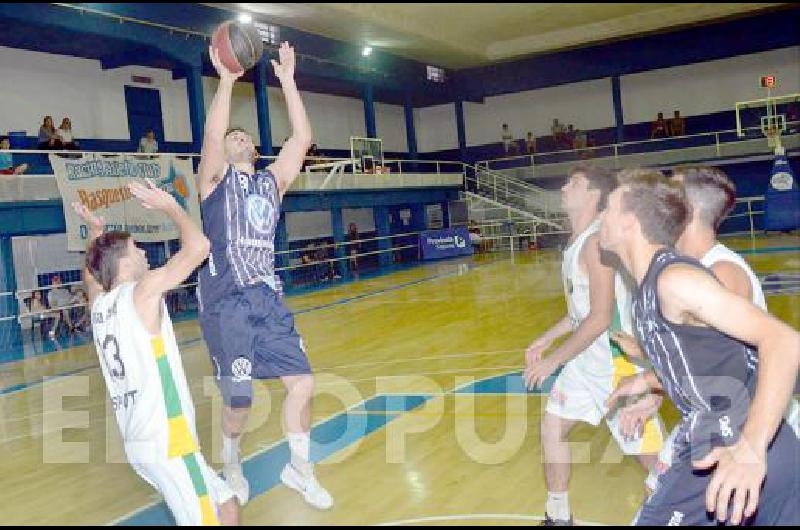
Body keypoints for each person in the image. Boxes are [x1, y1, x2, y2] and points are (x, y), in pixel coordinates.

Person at [599, 169, 799, 526]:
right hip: (734, 439)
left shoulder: (674, 279)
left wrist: (752, 447)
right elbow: (709, 357)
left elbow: (782, 340)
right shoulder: (648, 288)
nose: (602, 216)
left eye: (609, 207)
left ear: (630, 222)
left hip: (735, 444)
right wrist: (651, 382)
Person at [196, 42, 333, 510]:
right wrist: (229, 80)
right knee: (239, 405)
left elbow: (300, 140)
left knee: (304, 384)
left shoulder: (269, 183)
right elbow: (212, 137)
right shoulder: (214, 182)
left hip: (267, 300)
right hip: (225, 302)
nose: (235, 139)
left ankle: (299, 467)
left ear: (253, 148)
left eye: (242, 137)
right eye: (230, 137)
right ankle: (230, 462)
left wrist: (290, 82)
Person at [72, 185, 239, 526]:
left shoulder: (99, 306)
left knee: (228, 502)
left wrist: (96, 234)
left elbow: (90, 275)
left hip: (140, 441)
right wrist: (171, 207)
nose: (144, 252)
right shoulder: (142, 293)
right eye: (136, 247)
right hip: (169, 441)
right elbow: (200, 247)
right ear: (122, 260)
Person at [524, 164, 664, 526]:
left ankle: (686, 511)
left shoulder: (595, 244)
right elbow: (580, 312)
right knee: (552, 427)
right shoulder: (576, 243)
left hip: (616, 364)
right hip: (586, 361)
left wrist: (552, 360)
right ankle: (558, 515)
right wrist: (546, 338)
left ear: (593, 195)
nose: (565, 186)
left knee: (655, 461)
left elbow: (601, 317)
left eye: (575, 182)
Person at [47, 275, 73, 339]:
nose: (58, 282)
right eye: (56, 281)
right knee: (63, 311)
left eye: (59, 281)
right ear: (53, 283)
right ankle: (71, 327)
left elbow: (70, 298)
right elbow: (51, 305)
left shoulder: (65, 290)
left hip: (68, 305)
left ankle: (72, 326)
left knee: (65, 308)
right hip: (58, 308)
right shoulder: (51, 293)